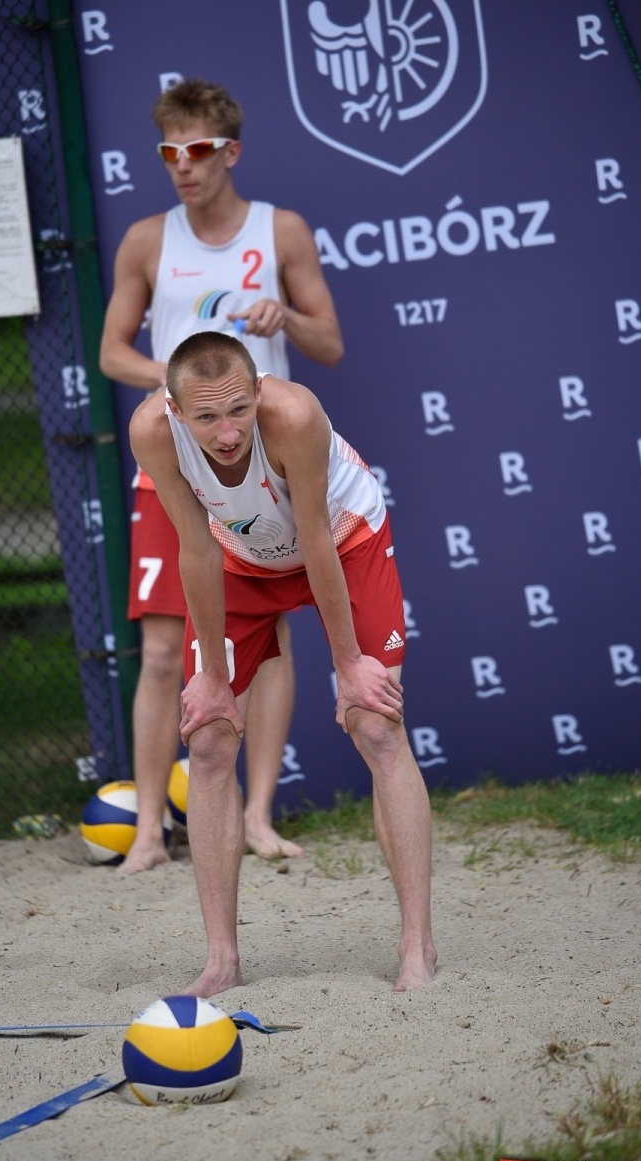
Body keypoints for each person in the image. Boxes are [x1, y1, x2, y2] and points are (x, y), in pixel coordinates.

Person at [129, 331, 437, 997]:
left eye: (238, 409)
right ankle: (221, 961)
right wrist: (212, 677)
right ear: (175, 413)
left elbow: (317, 540)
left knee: (376, 724)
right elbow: (196, 551)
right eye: (206, 416)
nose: (228, 431)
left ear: (259, 392)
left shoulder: (293, 415)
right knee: (208, 741)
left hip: (344, 539)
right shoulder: (152, 433)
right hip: (239, 559)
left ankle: (417, 946)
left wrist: (349, 662)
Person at [100, 78, 343, 872]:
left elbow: (330, 344)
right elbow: (111, 354)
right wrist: (177, 389)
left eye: (198, 150)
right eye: (169, 152)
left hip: (256, 467)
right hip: (175, 461)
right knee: (165, 650)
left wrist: (287, 319)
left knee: (268, 640)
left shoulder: (282, 232)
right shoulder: (145, 238)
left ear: (230, 151)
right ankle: (146, 832)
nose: (183, 166)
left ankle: (257, 817)